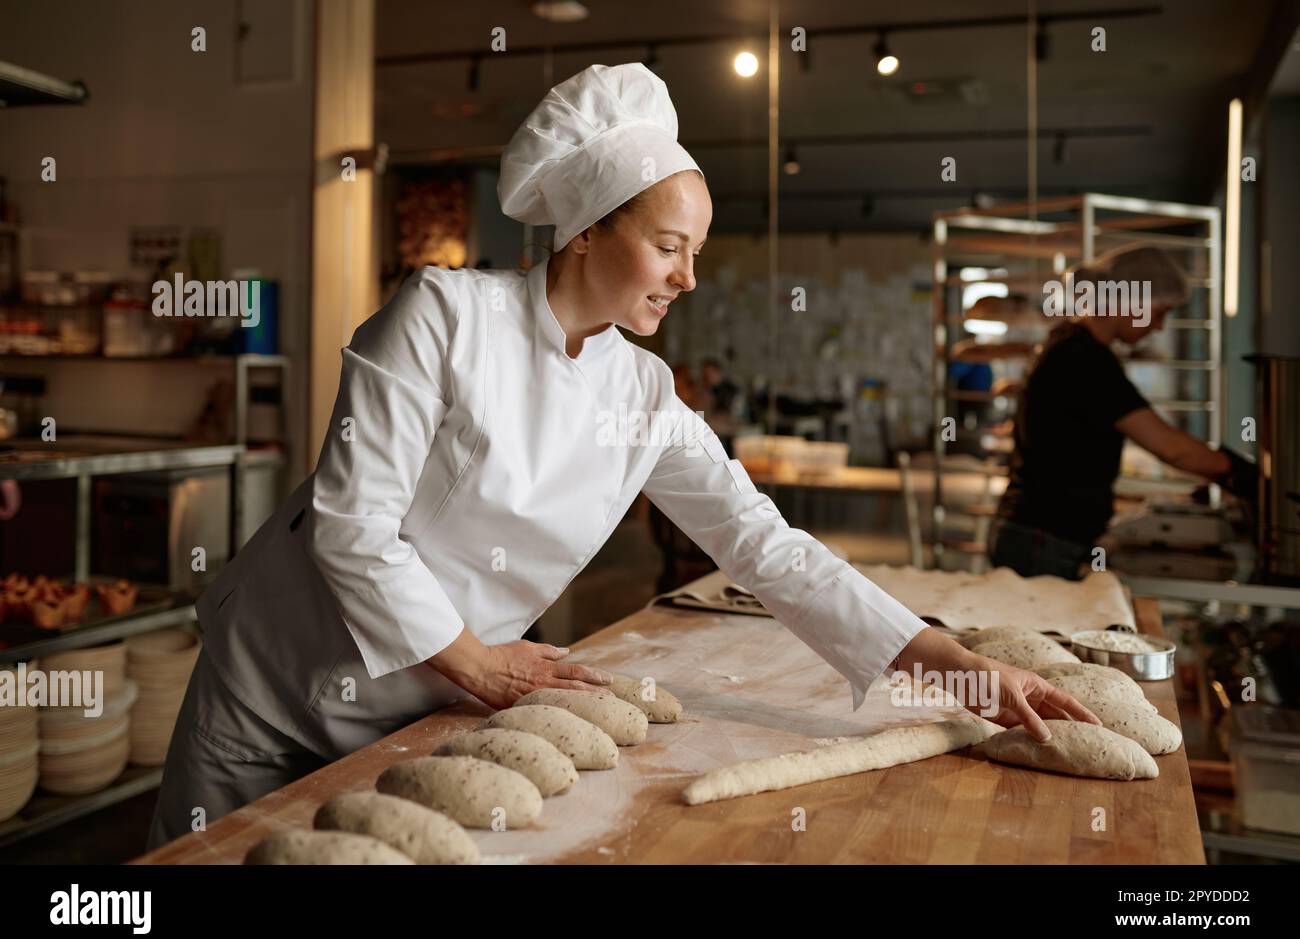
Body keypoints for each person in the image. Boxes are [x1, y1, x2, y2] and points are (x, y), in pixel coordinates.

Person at [146, 63, 1097, 851]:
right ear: (588, 230)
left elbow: (768, 548)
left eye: (696, 252)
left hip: (418, 708)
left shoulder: (641, 396)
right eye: (669, 247)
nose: (688, 277)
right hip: (273, 685)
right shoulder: (440, 317)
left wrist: (960, 668)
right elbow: (354, 530)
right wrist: (480, 667)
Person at [990, 246, 1256, 579]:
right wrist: (1243, 475)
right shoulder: (1085, 361)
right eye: (1160, 312)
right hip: (1043, 536)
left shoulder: (1070, 344)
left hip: (1036, 531)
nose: (1159, 326)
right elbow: (1168, 446)